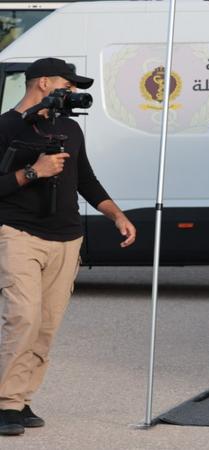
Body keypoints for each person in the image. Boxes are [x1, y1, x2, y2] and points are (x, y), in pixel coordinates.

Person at [0, 58, 136, 436]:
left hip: (67, 238)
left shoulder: (70, 128)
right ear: (43, 83)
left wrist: (116, 215)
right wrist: (33, 172)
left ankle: (21, 397)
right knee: (23, 318)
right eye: (68, 84)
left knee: (46, 326)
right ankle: (5, 403)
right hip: (18, 234)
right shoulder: (5, 127)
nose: (73, 91)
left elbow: (86, 179)